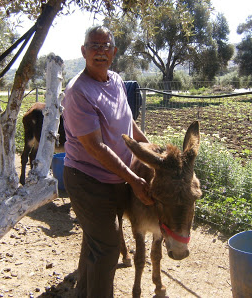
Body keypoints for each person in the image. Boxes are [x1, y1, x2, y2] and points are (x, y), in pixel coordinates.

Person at [62, 25, 153, 297]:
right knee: (109, 246)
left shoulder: (115, 80)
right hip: (87, 180)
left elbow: (129, 125)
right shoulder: (78, 91)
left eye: (105, 46)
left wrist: (151, 154)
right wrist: (135, 179)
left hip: (116, 179)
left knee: (95, 243)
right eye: (94, 46)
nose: (100, 51)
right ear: (83, 51)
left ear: (114, 52)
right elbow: (96, 147)